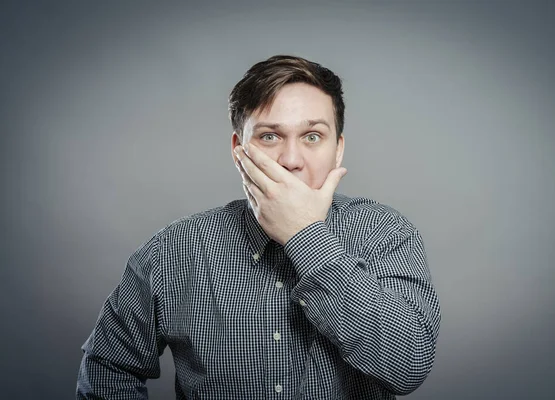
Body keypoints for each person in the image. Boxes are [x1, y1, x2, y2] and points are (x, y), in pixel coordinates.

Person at [76, 54, 441, 399]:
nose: (291, 160)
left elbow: (409, 365)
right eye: (269, 136)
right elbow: (109, 367)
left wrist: (306, 237)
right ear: (239, 151)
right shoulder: (173, 250)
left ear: (338, 150)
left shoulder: (386, 233)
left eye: (312, 136)